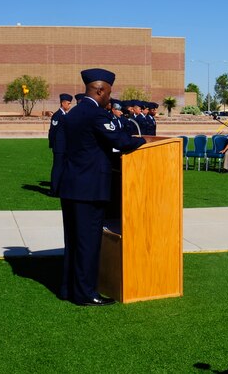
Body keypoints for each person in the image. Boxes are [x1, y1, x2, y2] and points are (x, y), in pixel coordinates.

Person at [55, 68, 148, 306]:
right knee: (88, 243)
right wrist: (142, 140)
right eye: (108, 92)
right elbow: (120, 140)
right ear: (99, 90)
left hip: (71, 186)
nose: (110, 97)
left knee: (73, 241)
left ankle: (68, 288)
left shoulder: (73, 113)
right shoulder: (96, 114)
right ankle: (86, 293)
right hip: (90, 189)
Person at [49, 94, 75, 191]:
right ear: (63, 103)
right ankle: (54, 189)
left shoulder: (64, 115)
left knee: (63, 168)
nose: (70, 105)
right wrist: (53, 144)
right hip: (59, 147)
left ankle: (60, 188)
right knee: (57, 168)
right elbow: (52, 131)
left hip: (64, 147)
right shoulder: (57, 115)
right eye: (68, 103)